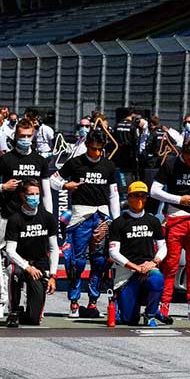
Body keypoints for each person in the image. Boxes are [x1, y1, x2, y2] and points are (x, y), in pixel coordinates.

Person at [0, 119, 54, 319]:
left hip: (35, 221)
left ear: (34, 136)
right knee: (4, 265)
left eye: (28, 136)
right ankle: (1, 303)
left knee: (37, 262)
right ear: (15, 137)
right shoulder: (6, 160)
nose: (25, 139)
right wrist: (2, 187)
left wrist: (49, 218)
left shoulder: (40, 160)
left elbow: (46, 193)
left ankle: (34, 303)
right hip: (9, 220)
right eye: (21, 136)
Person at [52, 133, 119, 318]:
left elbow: (114, 195)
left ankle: (92, 302)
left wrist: (116, 220)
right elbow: (53, 180)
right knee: (76, 261)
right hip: (80, 216)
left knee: (99, 261)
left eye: (100, 149)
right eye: (93, 149)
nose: (97, 152)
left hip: (102, 217)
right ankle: (74, 302)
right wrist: (66, 186)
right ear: (87, 146)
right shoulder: (75, 163)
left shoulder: (109, 165)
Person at [150, 137, 190, 319]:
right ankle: (165, 303)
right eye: (187, 157)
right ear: (182, 152)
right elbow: (154, 190)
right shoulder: (170, 164)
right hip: (175, 218)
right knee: (170, 264)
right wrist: (179, 200)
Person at [108, 181, 169, 326]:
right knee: (130, 320)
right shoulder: (118, 223)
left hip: (148, 268)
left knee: (157, 279)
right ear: (128, 198)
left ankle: (151, 313)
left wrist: (154, 262)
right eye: (136, 196)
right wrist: (135, 267)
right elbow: (113, 252)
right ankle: (126, 305)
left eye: (143, 196)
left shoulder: (153, 221)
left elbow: (163, 247)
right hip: (126, 272)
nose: (139, 199)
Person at [4, 181, 59, 328]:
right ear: (23, 195)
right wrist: (27, 267)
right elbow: (10, 250)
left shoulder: (48, 218)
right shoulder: (15, 219)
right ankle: (14, 311)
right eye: (30, 194)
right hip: (21, 263)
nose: (34, 197)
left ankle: (27, 314)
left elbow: (54, 248)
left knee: (34, 320)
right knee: (13, 272)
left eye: (37, 194)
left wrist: (53, 275)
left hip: (40, 265)